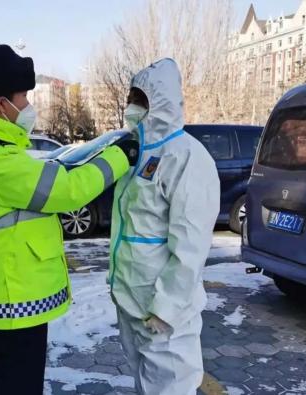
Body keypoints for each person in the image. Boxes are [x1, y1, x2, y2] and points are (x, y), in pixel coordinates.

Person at [0, 42, 137, 395]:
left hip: (5, 291)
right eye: (22, 97)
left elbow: (42, 179)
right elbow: (65, 191)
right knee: (14, 383)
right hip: (12, 296)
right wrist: (118, 157)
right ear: (1, 104)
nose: (28, 106)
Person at [109, 58, 220, 395]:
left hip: (162, 311)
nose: (131, 107)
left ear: (159, 102)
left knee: (171, 388)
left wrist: (166, 308)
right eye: (131, 99)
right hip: (131, 300)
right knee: (146, 385)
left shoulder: (187, 156)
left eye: (138, 100)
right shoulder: (137, 154)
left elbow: (191, 245)